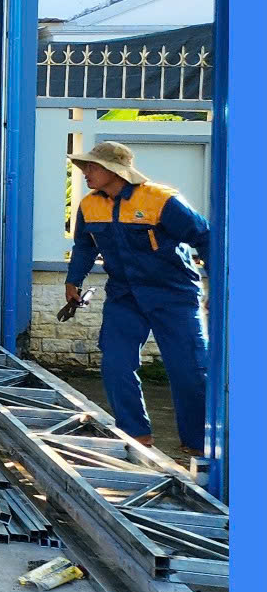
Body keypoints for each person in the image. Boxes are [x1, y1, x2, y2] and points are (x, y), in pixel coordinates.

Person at [64, 139, 212, 467]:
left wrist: (218, 285)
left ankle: (198, 446)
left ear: (115, 170)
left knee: (188, 370)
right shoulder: (89, 205)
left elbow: (205, 237)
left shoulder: (161, 200)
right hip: (124, 296)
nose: (85, 172)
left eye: (92, 166)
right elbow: (85, 246)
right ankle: (135, 435)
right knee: (115, 363)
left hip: (173, 294)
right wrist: (73, 280)